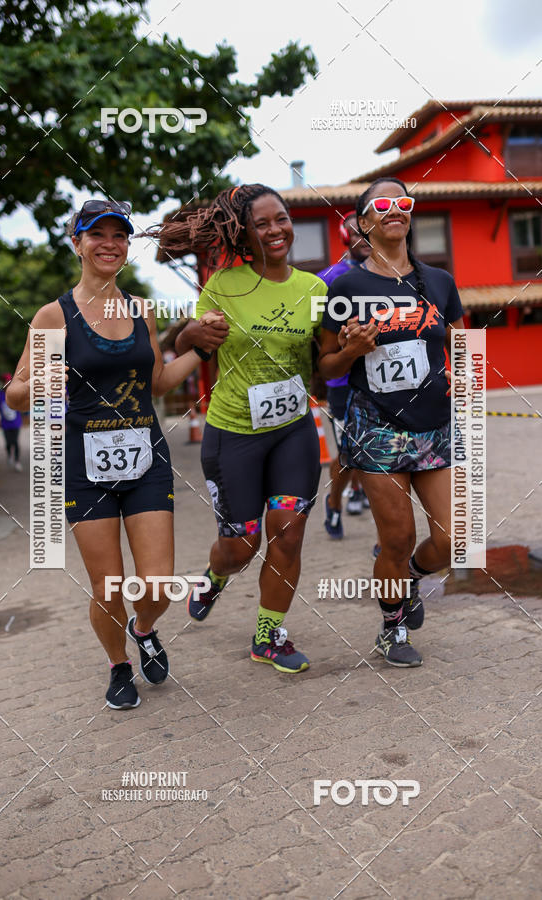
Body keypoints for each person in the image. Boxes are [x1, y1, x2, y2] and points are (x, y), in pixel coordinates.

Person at [6, 199, 224, 709]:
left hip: (146, 459)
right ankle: (119, 665)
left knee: (158, 585)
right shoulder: (53, 316)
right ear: (77, 243)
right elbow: (15, 394)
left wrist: (201, 349)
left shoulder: (140, 309)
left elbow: (158, 383)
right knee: (107, 586)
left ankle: (143, 628)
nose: (109, 244)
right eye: (97, 234)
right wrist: (39, 383)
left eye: (119, 235)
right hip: (84, 467)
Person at [162, 183, 328, 673]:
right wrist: (189, 334)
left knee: (288, 534)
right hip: (234, 432)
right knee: (241, 547)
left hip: (293, 430)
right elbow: (189, 344)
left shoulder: (315, 289)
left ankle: (267, 636)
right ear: (244, 232)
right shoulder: (223, 285)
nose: (276, 230)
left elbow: (326, 360)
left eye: (282, 219)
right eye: (262, 223)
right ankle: (216, 574)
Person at [319, 177, 464, 667]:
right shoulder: (345, 287)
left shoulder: (439, 282)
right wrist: (352, 351)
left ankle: (411, 578)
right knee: (396, 537)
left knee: (453, 539)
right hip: (376, 427)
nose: (395, 209)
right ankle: (391, 627)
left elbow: (463, 348)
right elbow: (326, 366)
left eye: (403, 201)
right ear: (364, 222)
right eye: (382, 204)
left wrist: (463, 389)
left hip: (434, 427)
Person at [317, 213, 371, 539]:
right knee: (350, 452)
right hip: (343, 382)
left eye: (369, 232)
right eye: (357, 233)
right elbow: (314, 331)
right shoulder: (328, 278)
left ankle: (386, 539)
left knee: (378, 449)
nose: (364, 238)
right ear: (344, 237)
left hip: (381, 381)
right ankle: (334, 501)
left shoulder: (392, 274)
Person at [0, 373, 23, 471]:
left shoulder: (15, 393)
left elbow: (21, 405)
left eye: (9, 382)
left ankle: (17, 461)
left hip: (16, 422)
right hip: (5, 423)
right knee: (8, 442)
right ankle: (9, 455)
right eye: (5, 382)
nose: (7, 383)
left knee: (15, 442)